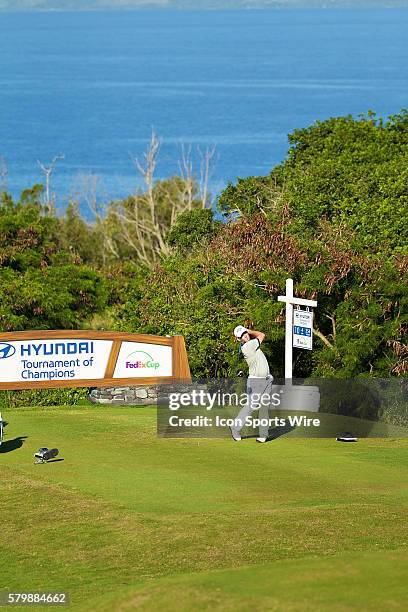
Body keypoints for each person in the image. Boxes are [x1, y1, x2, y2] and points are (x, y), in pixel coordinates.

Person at [230, 325, 273, 443]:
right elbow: (262, 335)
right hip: (256, 382)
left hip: (267, 379)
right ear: (239, 339)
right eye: (243, 336)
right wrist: (250, 330)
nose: (246, 336)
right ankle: (235, 427)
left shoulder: (252, 344)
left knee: (264, 407)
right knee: (251, 406)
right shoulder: (249, 346)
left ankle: (264, 435)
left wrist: (247, 332)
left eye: (246, 333)